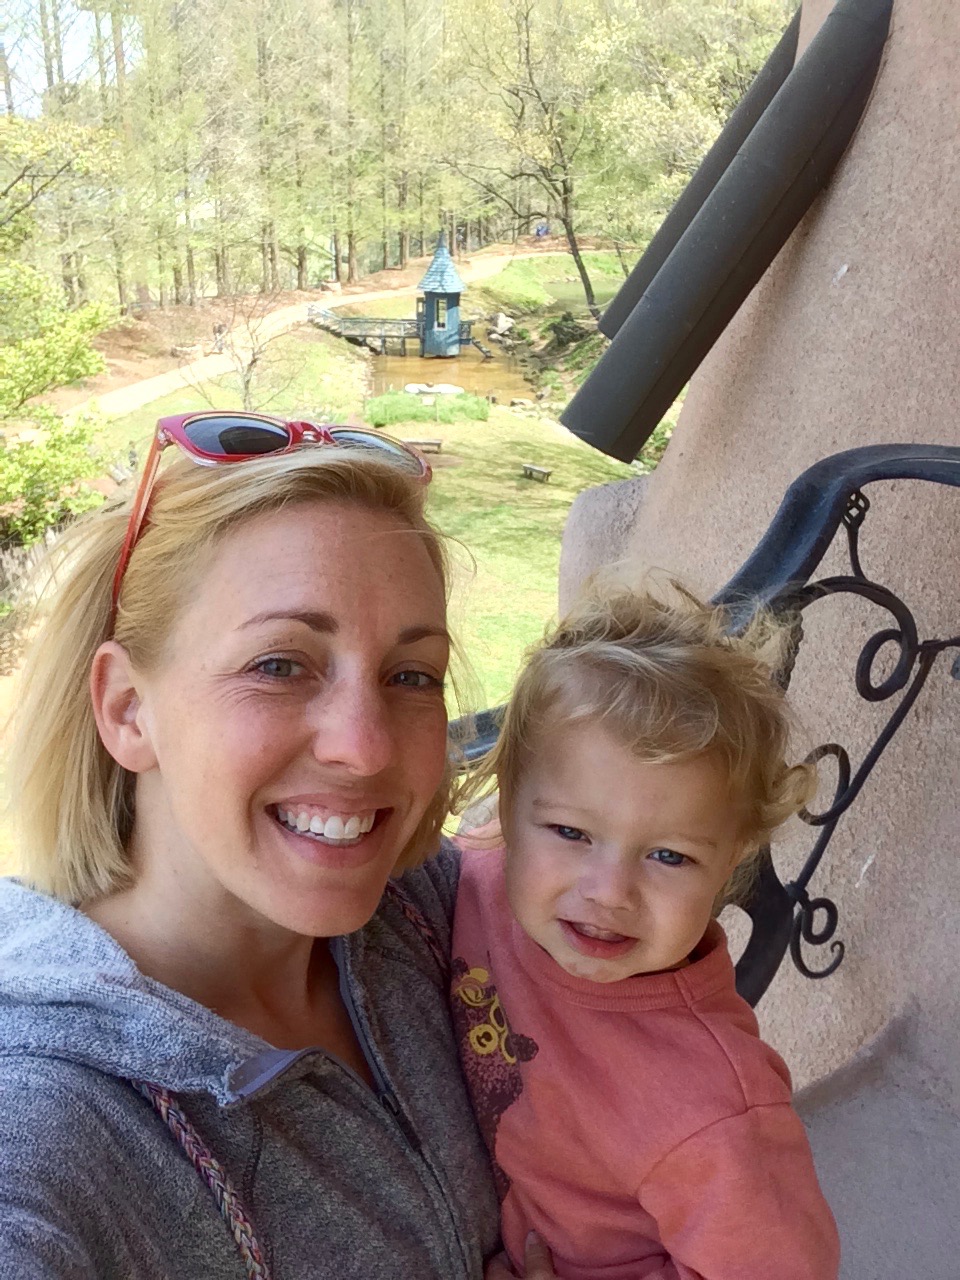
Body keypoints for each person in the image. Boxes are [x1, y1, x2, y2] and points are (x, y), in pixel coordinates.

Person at [0, 411, 501, 1279]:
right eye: (279, 665)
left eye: (410, 676)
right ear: (127, 709)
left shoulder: (442, 921)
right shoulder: (44, 1120)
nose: (366, 748)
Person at [451, 583, 841, 1280]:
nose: (609, 892)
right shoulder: (476, 876)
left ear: (734, 857)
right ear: (506, 807)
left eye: (668, 856)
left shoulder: (715, 1111)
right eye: (571, 832)